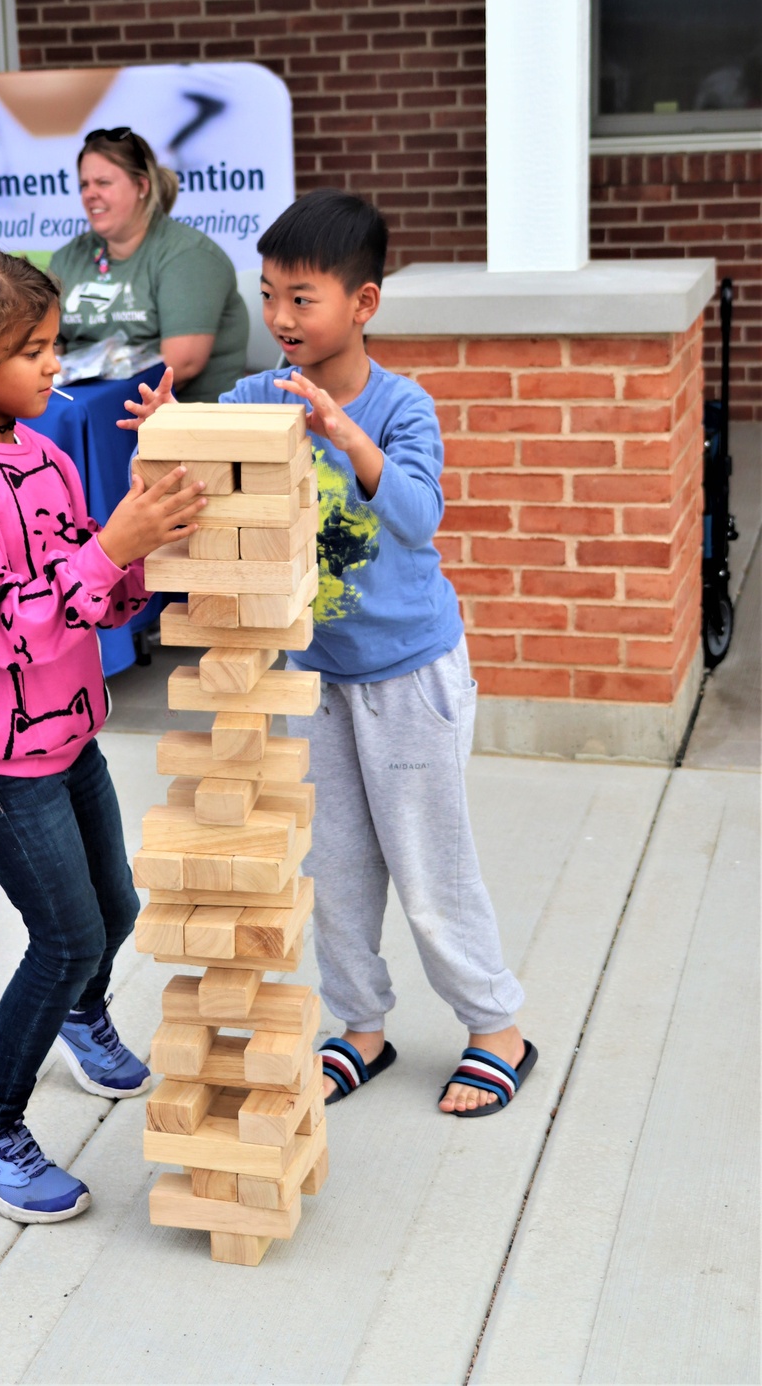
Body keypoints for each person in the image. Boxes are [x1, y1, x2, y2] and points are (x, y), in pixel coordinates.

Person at [123, 189, 536, 1117]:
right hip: (312, 672)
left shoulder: (402, 407)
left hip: (409, 675)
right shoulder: (253, 396)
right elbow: (204, 476)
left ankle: (495, 1026)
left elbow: (422, 517)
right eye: (268, 295)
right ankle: (361, 1028)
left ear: (364, 304)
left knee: (427, 866)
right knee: (336, 867)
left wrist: (340, 433)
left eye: (301, 298)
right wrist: (170, 425)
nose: (279, 318)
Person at [0, 243, 207, 1222]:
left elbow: (89, 603)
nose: (54, 365)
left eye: (54, 343)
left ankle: (75, 1013)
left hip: (67, 734)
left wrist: (145, 552)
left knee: (111, 914)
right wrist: (112, 545)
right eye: (32, 350)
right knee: (64, 936)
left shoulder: (45, 451)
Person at [49, 126, 248, 402]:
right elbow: (47, 351)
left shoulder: (187, 255)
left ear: (142, 186)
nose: (89, 194)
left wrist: (92, 406)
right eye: (84, 185)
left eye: (103, 182)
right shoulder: (67, 258)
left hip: (176, 421)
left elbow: (180, 366)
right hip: (79, 410)